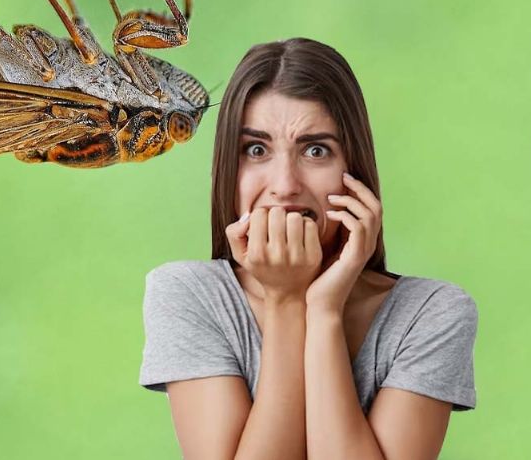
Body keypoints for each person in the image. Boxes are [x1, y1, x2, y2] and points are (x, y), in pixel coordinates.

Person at [139, 38, 478, 459]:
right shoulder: (187, 295)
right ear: (230, 169)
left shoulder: (431, 313)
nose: (284, 186)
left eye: (316, 151)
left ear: (354, 171)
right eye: (256, 150)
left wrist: (323, 311)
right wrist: (286, 301)